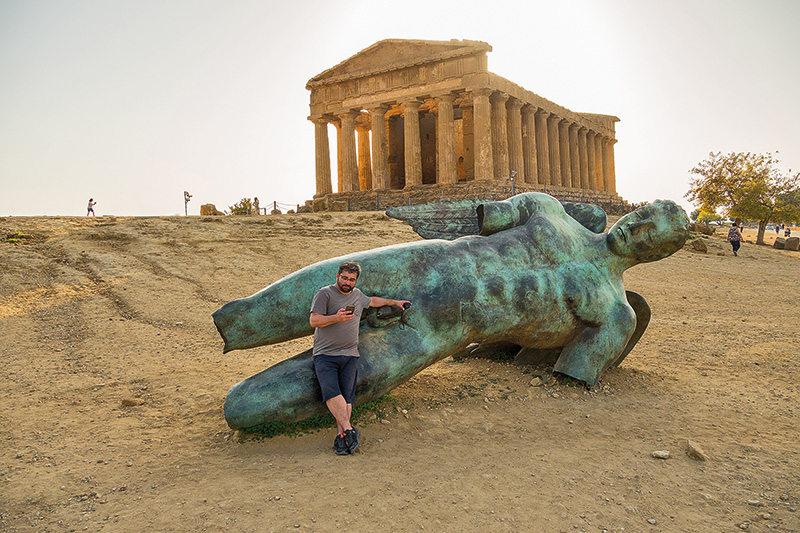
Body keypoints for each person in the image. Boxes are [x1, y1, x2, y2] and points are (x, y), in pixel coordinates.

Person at [309, 261, 410, 455]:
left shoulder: (357, 295)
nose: (347, 282)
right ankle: (349, 430)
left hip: (350, 354)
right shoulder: (324, 294)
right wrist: (335, 318)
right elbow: (314, 320)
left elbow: (372, 301)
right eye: (344, 278)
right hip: (325, 354)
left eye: (352, 280)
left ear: (356, 281)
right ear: (337, 275)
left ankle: (341, 438)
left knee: (347, 398)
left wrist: (395, 303)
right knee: (331, 392)